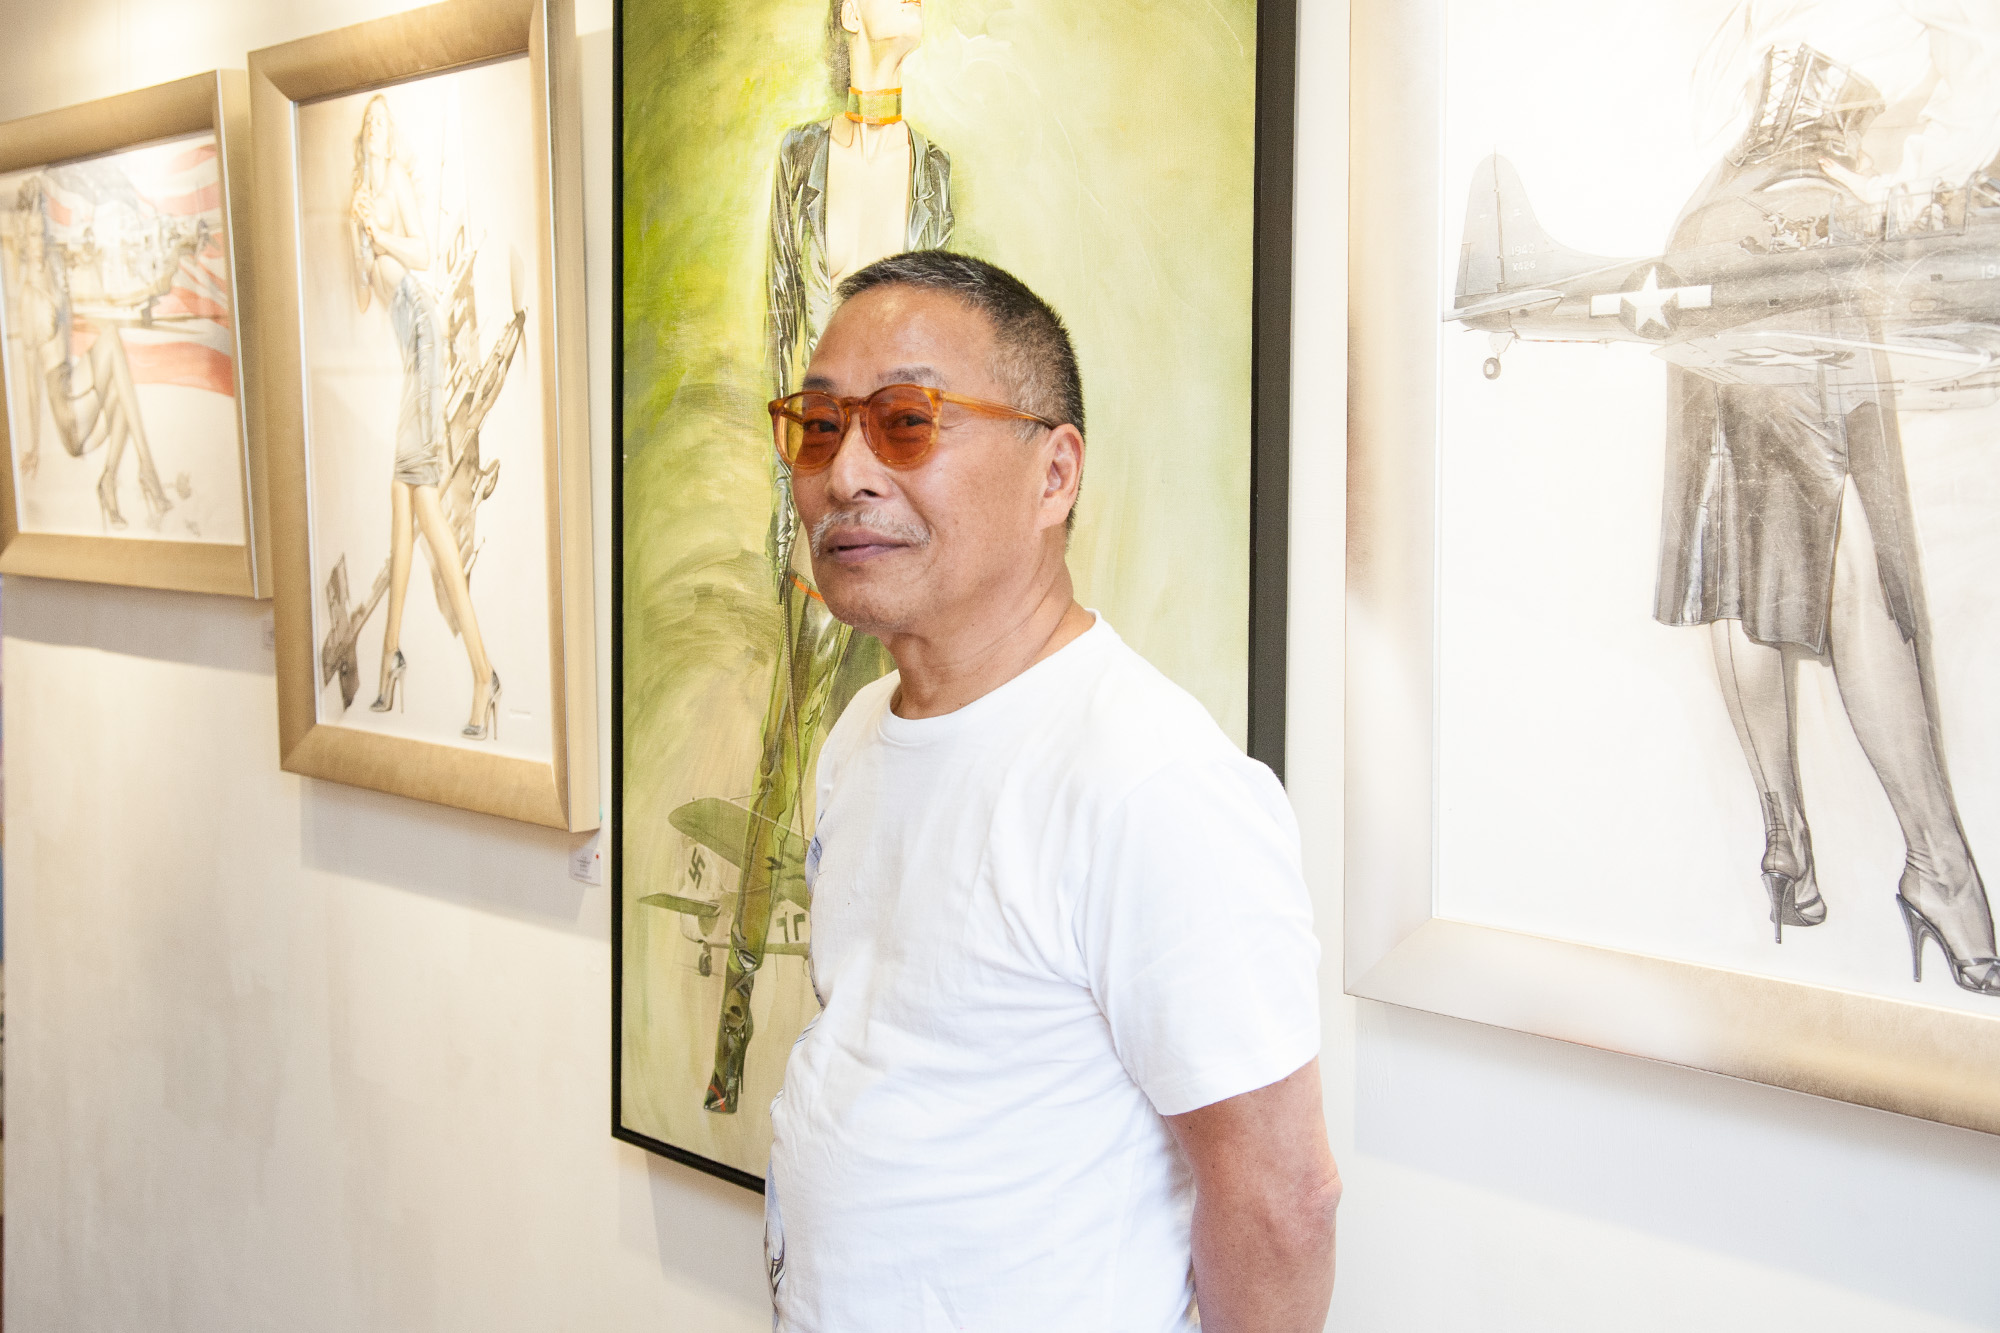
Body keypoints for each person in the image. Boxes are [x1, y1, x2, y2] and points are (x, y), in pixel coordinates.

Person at [762, 250, 1339, 1331]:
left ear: (1054, 474)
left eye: (906, 422)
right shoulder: (860, 733)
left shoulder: (1148, 783)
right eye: (820, 426)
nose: (845, 475)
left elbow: (1282, 1203)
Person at [1658, 4, 2000, 993]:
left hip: (1715, 228)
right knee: (1853, 545)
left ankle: (1784, 838)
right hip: (1797, 232)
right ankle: (1937, 865)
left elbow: (1722, 105)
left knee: (1744, 532)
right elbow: (1963, 107)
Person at [696, 0, 955, 1114]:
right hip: (823, 516)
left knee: (900, 777)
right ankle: (731, 1044)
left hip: (904, 527)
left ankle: (877, 1061)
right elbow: (781, 345)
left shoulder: (931, 173)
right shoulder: (803, 161)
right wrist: (797, 517)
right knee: (784, 758)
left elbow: (934, 379)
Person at [349, 94, 501, 740]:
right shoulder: (360, 199)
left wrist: (380, 234)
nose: (376, 130)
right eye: (370, 123)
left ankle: (473, 672)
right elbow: (364, 298)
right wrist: (357, 235)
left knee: (422, 513)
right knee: (407, 506)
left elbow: (422, 254)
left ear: (392, 137)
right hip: (407, 348)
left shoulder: (399, 189)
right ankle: (402, 659)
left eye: (384, 122)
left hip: (425, 339)